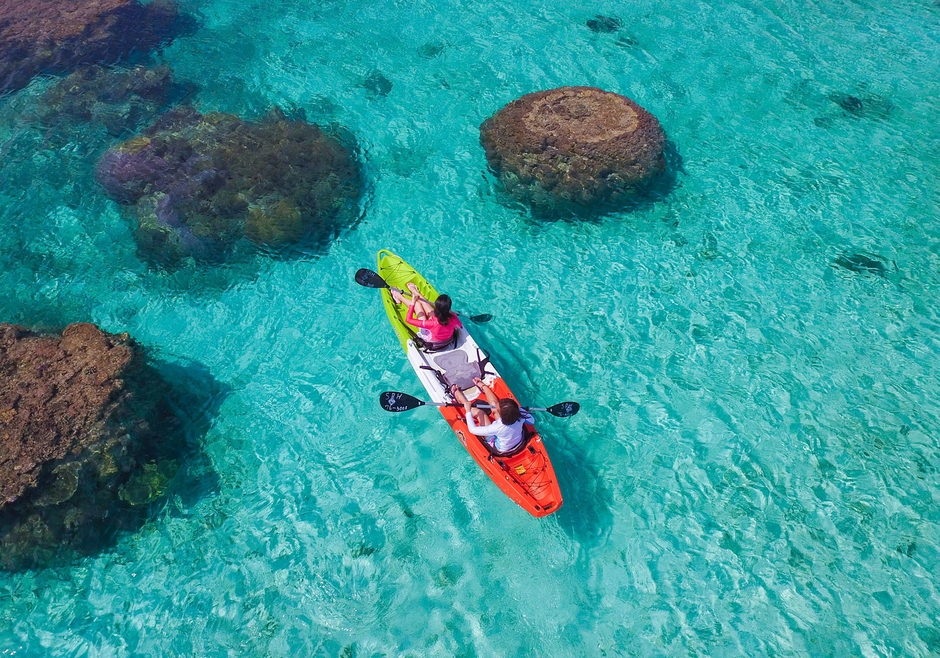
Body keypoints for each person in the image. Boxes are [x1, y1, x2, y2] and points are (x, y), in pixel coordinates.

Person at [451, 377, 533, 454]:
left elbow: (472, 430)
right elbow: (532, 421)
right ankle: (483, 386)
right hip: (519, 441)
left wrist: (468, 411)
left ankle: (462, 400)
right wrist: (521, 410)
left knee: (480, 413)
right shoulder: (521, 415)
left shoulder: (496, 428)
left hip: (499, 447)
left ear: (501, 415)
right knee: (494, 405)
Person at [390, 282, 463, 349]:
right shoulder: (453, 317)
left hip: (431, 341)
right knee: (425, 303)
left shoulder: (432, 323)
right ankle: (416, 293)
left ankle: (399, 297)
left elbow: (408, 319)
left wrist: (413, 302)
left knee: (417, 305)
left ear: (436, 308)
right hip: (446, 339)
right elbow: (459, 326)